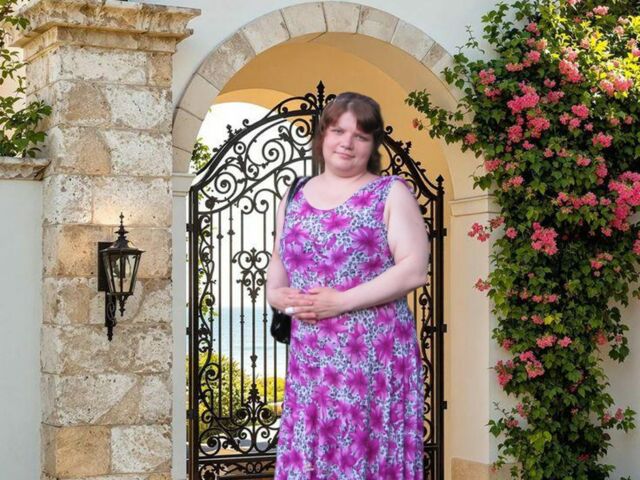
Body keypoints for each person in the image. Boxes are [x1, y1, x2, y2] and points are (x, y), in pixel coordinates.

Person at [266, 92, 431, 479]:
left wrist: (340, 302)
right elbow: (279, 258)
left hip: (373, 355)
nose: (347, 143)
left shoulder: (390, 192)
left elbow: (414, 269)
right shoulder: (295, 194)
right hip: (311, 357)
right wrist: (275, 295)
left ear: (373, 145)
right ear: (323, 135)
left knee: (362, 453)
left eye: (360, 135)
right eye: (338, 131)